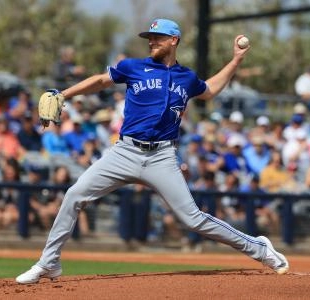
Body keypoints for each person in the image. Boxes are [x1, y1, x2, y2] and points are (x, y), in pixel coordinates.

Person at [16, 18, 288, 284]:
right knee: (74, 194)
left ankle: (260, 249)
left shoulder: (186, 77)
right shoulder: (133, 67)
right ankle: (49, 262)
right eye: (149, 38)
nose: (152, 42)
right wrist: (63, 94)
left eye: (158, 38)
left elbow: (210, 90)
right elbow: (100, 80)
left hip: (162, 157)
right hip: (125, 152)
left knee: (193, 220)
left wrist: (236, 60)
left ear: (174, 40)